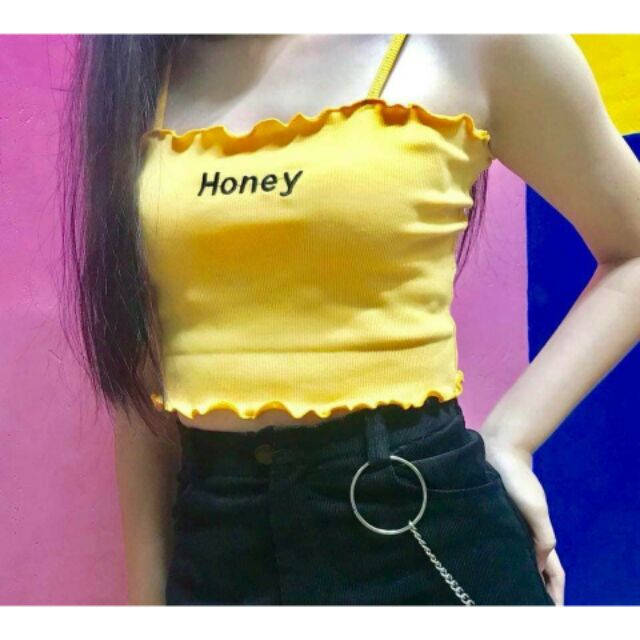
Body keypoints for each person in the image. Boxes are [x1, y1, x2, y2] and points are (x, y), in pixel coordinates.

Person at [61, 34, 640, 606]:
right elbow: (141, 378)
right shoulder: (146, 66)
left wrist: (512, 438)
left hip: (417, 516)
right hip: (214, 543)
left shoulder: (469, 38)